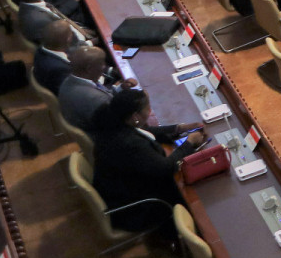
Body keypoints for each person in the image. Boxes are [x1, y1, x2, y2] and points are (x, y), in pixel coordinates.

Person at [87, 88, 206, 233]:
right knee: (192, 192)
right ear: (135, 116)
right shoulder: (130, 144)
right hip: (136, 208)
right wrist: (189, 143)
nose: (150, 111)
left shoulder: (114, 122)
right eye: (147, 108)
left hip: (121, 190)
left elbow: (143, 132)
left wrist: (178, 128)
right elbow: (166, 168)